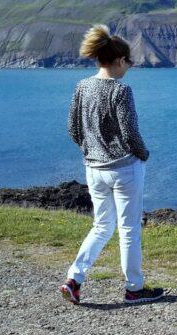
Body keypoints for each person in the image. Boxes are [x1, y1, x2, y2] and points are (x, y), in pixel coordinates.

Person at [59, 24, 163, 305]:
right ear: (119, 60)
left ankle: (74, 279)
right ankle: (134, 288)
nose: (129, 66)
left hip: (94, 169)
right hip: (124, 168)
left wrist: (91, 150)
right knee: (129, 230)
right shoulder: (121, 90)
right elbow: (130, 134)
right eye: (128, 61)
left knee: (101, 226)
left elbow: (73, 129)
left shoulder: (82, 86)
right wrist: (144, 154)